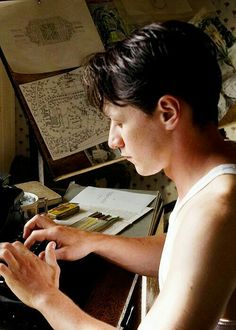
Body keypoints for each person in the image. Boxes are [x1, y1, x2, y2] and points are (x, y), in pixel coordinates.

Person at [1, 20, 236, 329]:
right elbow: (184, 251)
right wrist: (92, 241)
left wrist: (44, 295)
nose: (113, 140)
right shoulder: (220, 163)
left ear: (168, 112)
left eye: (120, 121)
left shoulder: (217, 209)